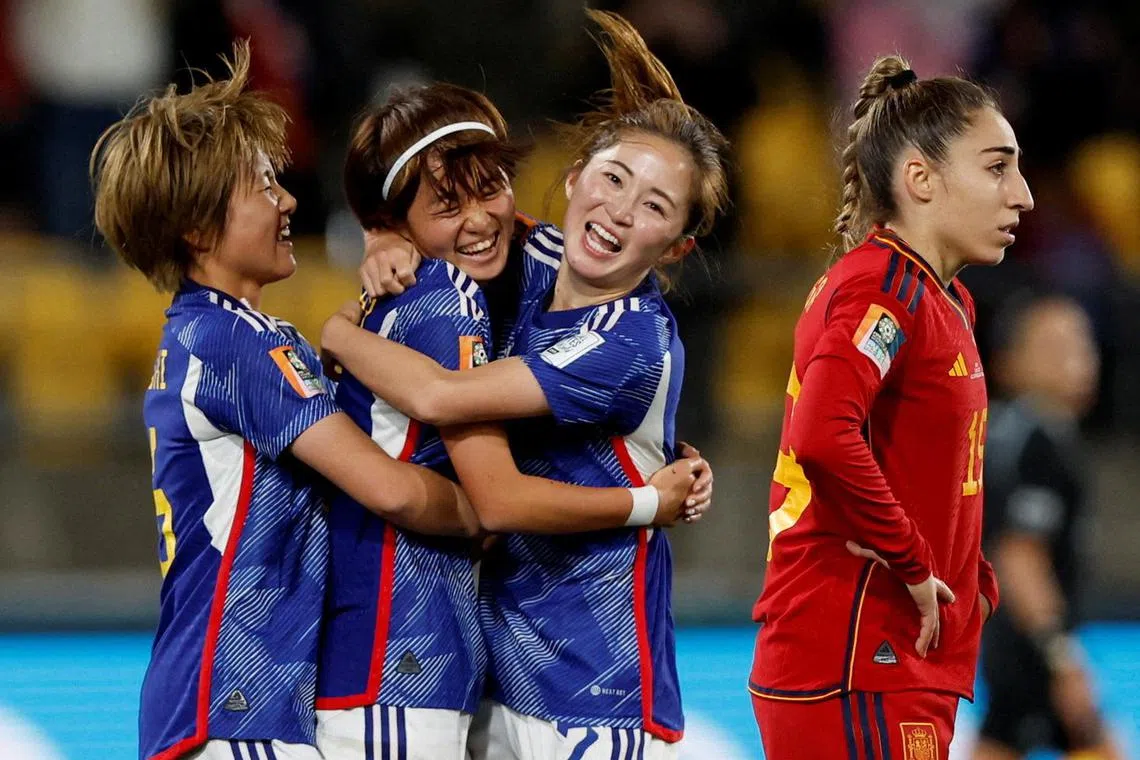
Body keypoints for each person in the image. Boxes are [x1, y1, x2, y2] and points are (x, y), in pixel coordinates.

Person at [319, 10, 729, 758]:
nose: (619, 212)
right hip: (500, 676)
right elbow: (452, 209)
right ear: (574, 179)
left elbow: (464, 440)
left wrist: (338, 331)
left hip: (594, 691)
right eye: (613, 179)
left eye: (655, 207)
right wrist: (384, 235)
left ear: (677, 246)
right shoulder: (532, 252)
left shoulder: (629, 339)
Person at [90, 42, 482, 760]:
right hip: (232, 705)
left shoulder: (219, 333)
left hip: (229, 701)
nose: (289, 200)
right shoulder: (234, 341)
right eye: (265, 186)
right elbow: (389, 489)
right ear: (199, 227)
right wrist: (490, 508)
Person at [748, 55, 1034, 759]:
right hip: (853, 653)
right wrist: (911, 562)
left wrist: (975, 582)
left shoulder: (945, 299)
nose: (1022, 195)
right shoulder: (885, 289)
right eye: (997, 168)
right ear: (920, 178)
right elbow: (823, 433)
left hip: (898, 657)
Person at [974, 294, 1122, 760]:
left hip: (1009, 645)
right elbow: (1019, 556)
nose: (1078, 359)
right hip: (1031, 650)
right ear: (1010, 364)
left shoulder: (1008, 433)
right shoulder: (1040, 441)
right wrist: (1061, 657)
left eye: (1083, 344)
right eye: (1056, 347)